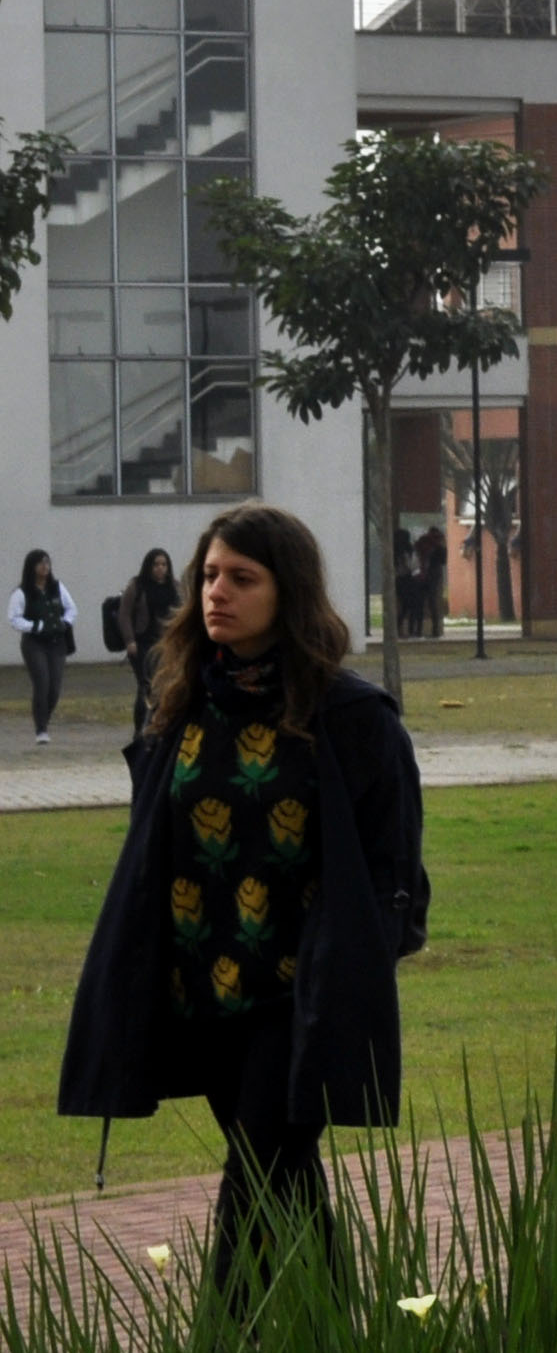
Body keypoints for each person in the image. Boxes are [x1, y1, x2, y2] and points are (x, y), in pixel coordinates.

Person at [61, 504, 426, 1289]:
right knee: (287, 1194)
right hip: (204, 996)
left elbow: (395, 878)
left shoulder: (353, 718)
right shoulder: (184, 706)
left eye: (241, 578)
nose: (215, 593)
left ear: (286, 591)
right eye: (209, 577)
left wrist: (354, 970)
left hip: (299, 1006)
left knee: (256, 1182)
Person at [12, 551, 73, 745]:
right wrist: (34, 626)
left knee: (54, 688)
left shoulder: (57, 587)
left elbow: (72, 608)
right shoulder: (22, 592)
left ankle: (43, 718)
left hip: (57, 642)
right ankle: (41, 729)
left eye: (47, 562)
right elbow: (13, 618)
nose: (44, 567)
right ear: (31, 567)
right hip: (34, 643)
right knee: (42, 683)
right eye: (40, 563)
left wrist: (65, 622)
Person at [116, 546, 182, 704]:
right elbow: (124, 614)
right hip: (143, 642)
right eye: (156, 564)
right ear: (148, 566)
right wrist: (129, 640)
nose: (160, 568)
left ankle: (160, 722)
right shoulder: (137, 585)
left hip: (166, 642)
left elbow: (182, 612)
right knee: (146, 685)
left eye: (164, 564)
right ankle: (142, 725)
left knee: (165, 683)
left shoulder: (174, 586)